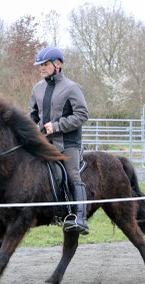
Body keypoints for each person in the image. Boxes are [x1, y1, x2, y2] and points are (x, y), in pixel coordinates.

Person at [29, 46, 90, 235]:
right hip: (45, 143)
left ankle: (80, 218)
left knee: (72, 175)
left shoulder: (72, 88)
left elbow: (82, 115)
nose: (42, 68)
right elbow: (32, 115)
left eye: (45, 64)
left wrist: (57, 126)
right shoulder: (37, 88)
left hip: (68, 144)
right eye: (40, 65)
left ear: (58, 64)